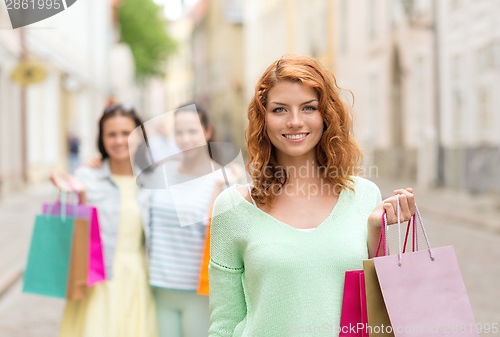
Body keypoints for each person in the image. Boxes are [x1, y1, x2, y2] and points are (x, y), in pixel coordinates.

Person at [208, 55, 415, 336]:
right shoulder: (233, 208)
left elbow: (378, 313)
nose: (295, 121)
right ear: (263, 118)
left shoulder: (365, 195)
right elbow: (224, 323)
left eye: (308, 107)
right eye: (280, 109)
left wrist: (376, 230)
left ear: (326, 115)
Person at [51, 103, 158, 337]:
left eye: (126, 134)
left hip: (138, 277)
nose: (119, 141)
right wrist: (68, 191)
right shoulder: (86, 177)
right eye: (112, 134)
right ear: (102, 138)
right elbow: (67, 230)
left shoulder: (153, 181)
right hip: (96, 279)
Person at [147, 104, 243, 337]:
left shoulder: (225, 179)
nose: (185, 139)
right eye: (179, 132)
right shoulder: (162, 174)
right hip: (160, 288)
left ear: (207, 132)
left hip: (200, 293)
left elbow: (227, 239)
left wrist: (221, 192)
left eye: (192, 131)